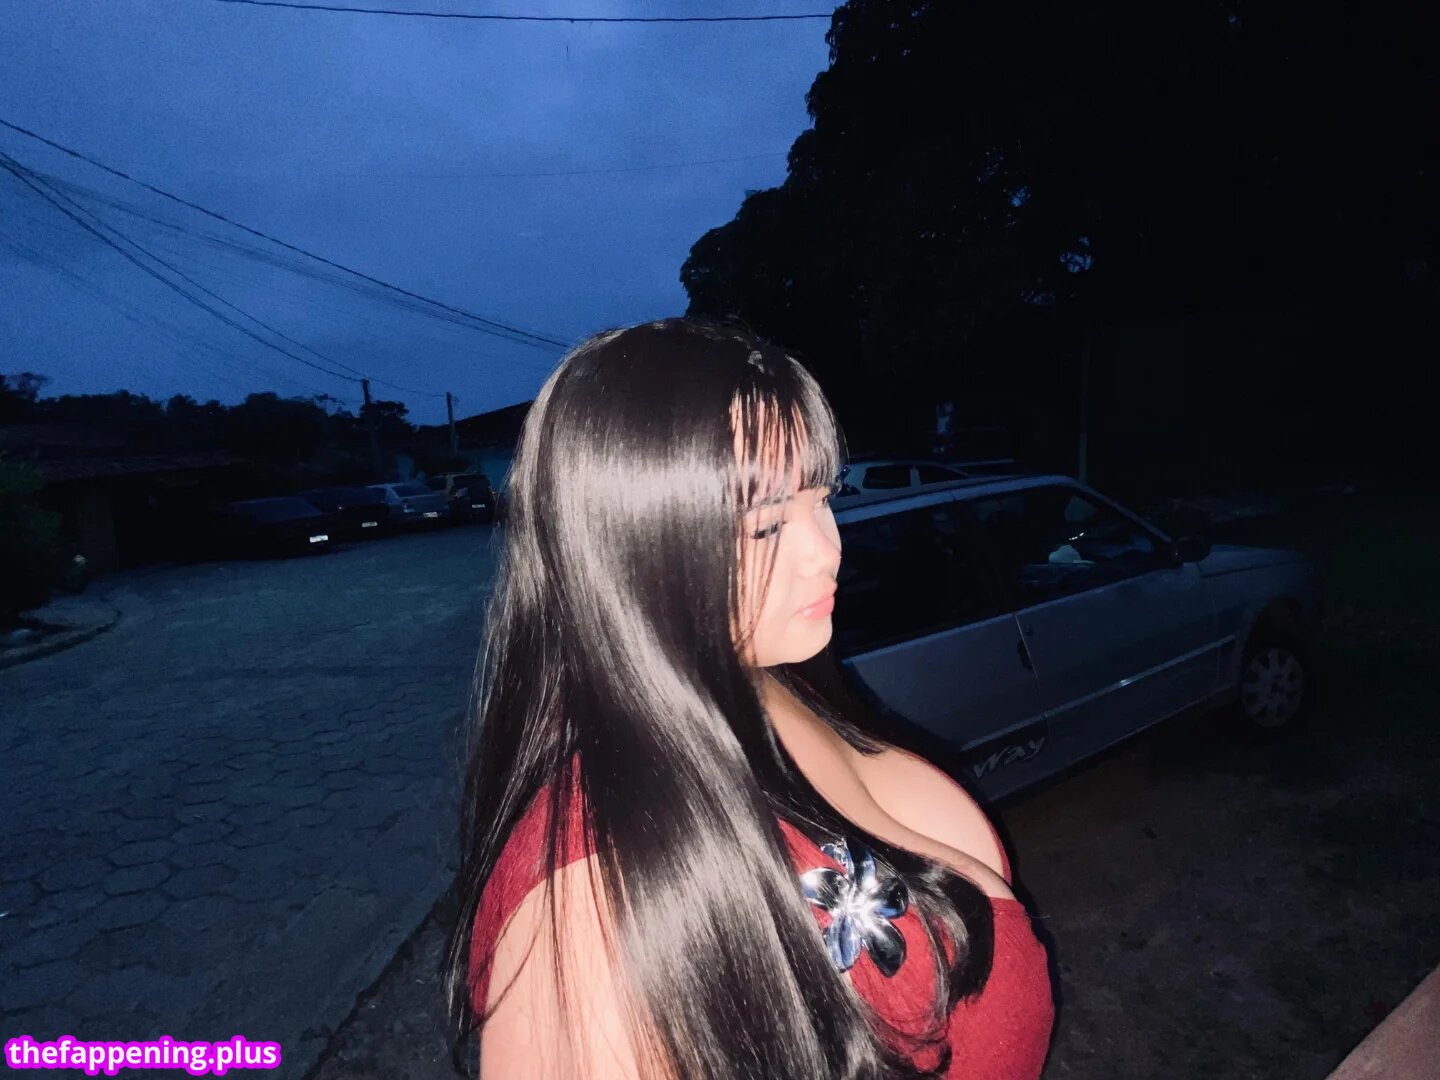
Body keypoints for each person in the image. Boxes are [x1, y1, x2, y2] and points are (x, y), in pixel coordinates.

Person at [443, 319, 1054, 1079]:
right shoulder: (591, 901)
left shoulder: (773, 678)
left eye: (823, 497)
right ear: (635, 552)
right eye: (766, 526)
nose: (827, 549)